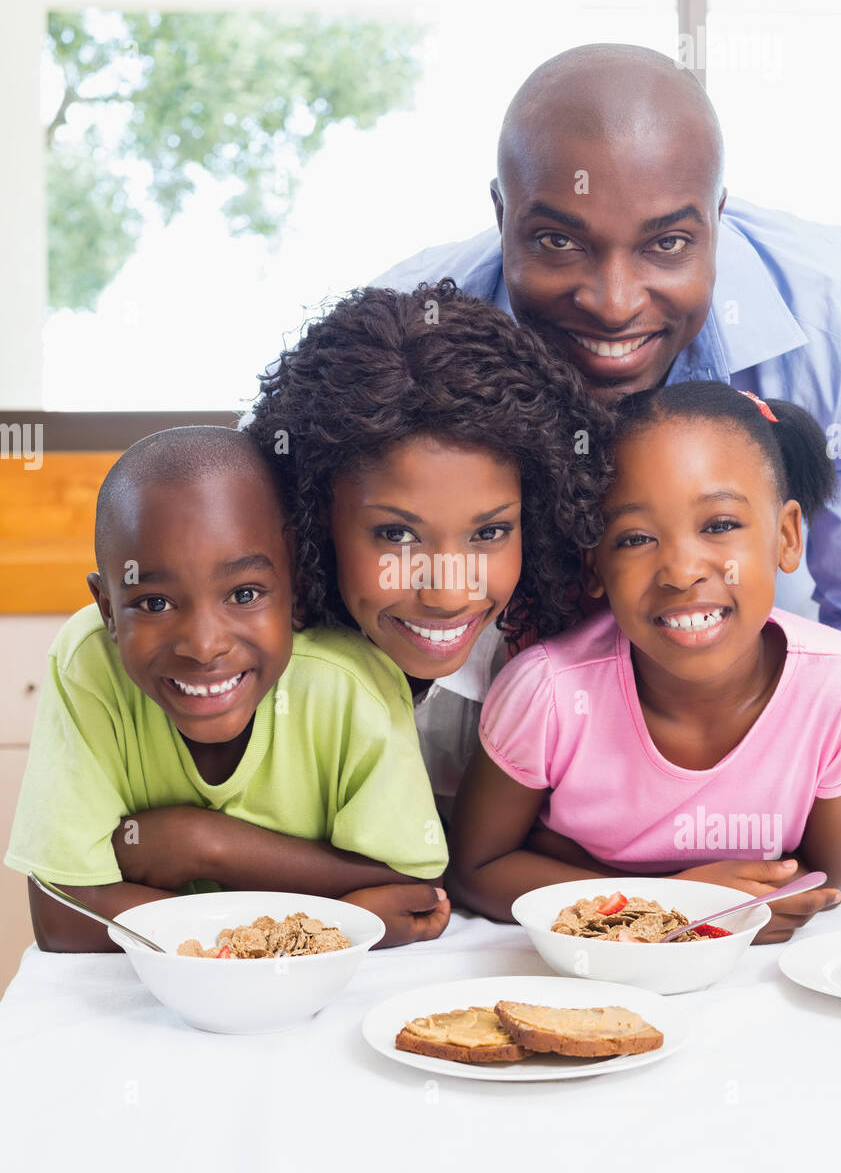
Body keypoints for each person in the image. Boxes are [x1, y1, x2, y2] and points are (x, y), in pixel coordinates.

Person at [374, 43, 841, 638]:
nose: (614, 306)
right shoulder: (402, 333)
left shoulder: (840, 326)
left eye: (667, 244)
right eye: (558, 241)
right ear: (501, 215)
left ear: (719, 216)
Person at [448, 383, 841, 943]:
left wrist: (574, 869)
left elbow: (831, 882)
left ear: (787, 536)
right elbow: (475, 872)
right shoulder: (549, 693)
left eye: (719, 525)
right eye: (636, 538)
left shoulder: (839, 685)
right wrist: (674, 905)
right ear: (594, 566)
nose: (681, 570)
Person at [5, 426, 450, 951]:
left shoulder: (351, 686)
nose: (203, 645)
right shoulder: (88, 666)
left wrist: (207, 846)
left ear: (298, 593)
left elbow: (412, 894)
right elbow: (64, 920)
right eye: (154, 603)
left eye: (244, 594)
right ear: (107, 610)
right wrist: (320, 916)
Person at [247, 279, 615, 817]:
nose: (446, 593)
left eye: (489, 534)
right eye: (397, 535)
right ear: (314, 519)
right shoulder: (249, 662)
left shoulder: (558, 681)